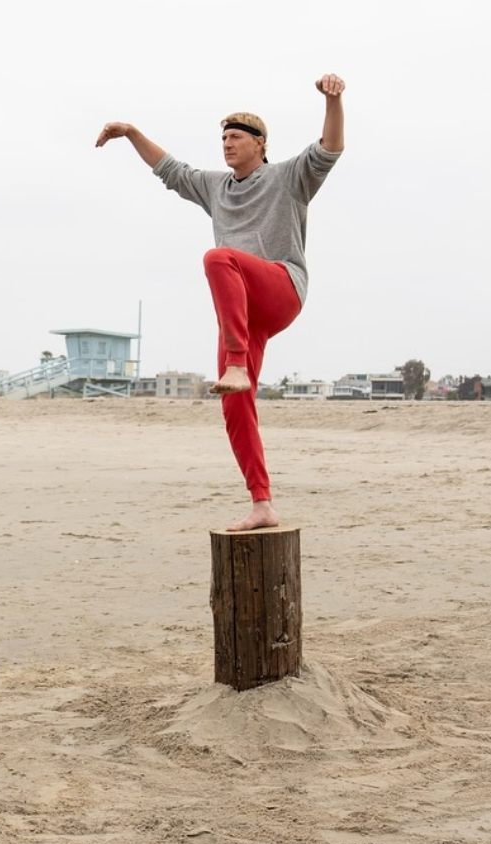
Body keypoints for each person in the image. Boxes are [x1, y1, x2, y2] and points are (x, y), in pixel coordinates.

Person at [96, 75, 346, 532]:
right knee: (234, 406)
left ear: (260, 144)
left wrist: (334, 100)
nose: (227, 144)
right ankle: (262, 503)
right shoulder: (217, 187)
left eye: (235, 137)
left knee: (218, 257)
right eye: (223, 139)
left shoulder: (287, 177)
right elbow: (171, 170)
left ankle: (235, 365)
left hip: (282, 288)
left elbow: (330, 147)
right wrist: (131, 133)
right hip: (242, 317)